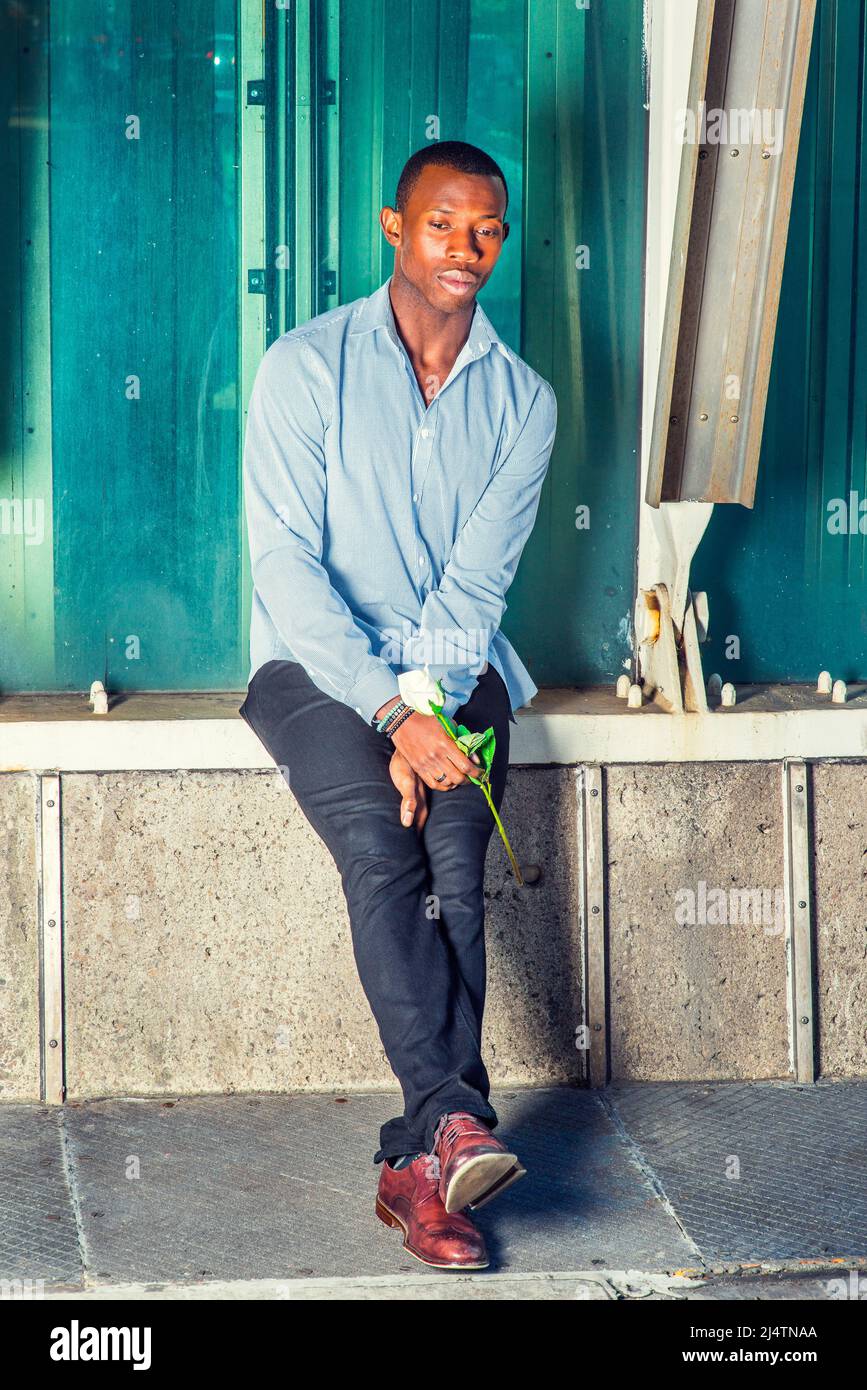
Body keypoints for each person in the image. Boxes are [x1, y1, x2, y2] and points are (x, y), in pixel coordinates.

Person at [239, 140, 558, 1270]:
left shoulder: (524, 404)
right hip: (311, 671)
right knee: (385, 846)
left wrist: (426, 711)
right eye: (441, 226)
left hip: (453, 667)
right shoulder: (303, 368)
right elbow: (286, 570)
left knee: (457, 864)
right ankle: (448, 1121)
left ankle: (424, 1164)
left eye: (486, 231)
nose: (465, 250)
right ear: (394, 228)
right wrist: (387, 717)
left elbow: (472, 588)